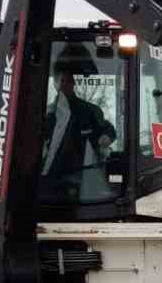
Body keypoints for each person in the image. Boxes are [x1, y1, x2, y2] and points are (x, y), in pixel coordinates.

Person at [40, 46, 116, 197]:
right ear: (55, 82)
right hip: (45, 181)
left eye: (67, 80)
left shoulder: (89, 111)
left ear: (73, 83)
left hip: (79, 180)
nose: (63, 84)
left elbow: (107, 130)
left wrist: (106, 137)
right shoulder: (46, 113)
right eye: (60, 79)